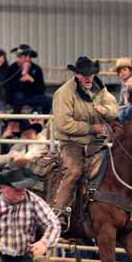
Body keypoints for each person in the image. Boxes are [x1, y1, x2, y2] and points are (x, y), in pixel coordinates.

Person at [51, 56, 118, 229]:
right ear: (77, 75)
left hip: (96, 142)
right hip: (72, 143)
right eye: (84, 74)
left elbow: (114, 109)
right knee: (74, 171)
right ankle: (59, 212)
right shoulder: (64, 93)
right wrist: (91, 128)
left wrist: (106, 110)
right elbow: (63, 124)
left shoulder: (101, 90)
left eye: (91, 74)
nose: (88, 77)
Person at [5, 44, 52, 114]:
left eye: (29, 56)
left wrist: (31, 80)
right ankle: (17, 121)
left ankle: (45, 122)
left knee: (48, 100)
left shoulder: (36, 69)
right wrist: (22, 75)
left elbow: (41, 89)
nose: (27, 59)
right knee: (18, 97)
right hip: (18, 96)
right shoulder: (12, 68)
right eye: (24, 56)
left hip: (33, 96)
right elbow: (9, 87)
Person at [111, 58, 132, 122]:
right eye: (119, 71)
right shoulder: (123, 83)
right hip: (125, 107)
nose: (122, 72)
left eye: (124, 70)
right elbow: (122, 102)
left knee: (121, 115)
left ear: (131, 71)